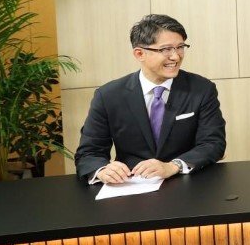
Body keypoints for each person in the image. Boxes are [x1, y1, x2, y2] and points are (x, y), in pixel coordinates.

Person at [75, 14, 226, 184]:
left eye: (180, 47)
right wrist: (103, 170)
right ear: (140, 53)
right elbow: (89, 153)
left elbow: (213, 143)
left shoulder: (201, 89)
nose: (176, 57)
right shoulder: (108, 95)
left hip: (187, 182)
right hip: (131, 185)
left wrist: (173, 166)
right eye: (166, 49)